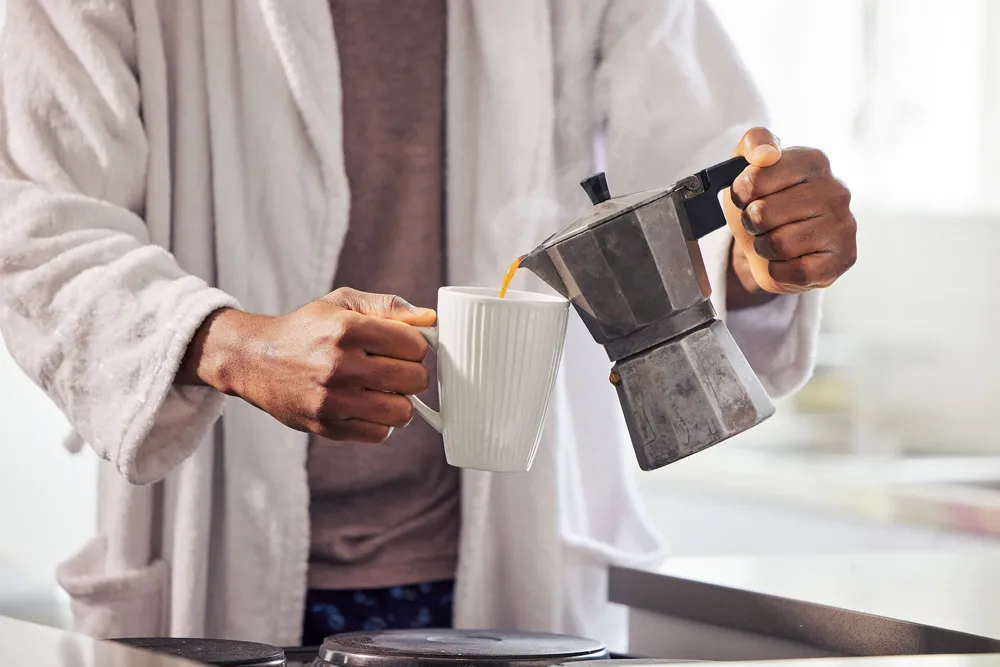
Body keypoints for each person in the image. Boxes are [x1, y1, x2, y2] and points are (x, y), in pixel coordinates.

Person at [0, 0, 856, 652]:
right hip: (210, 568)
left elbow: (706, 168)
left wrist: (770, 239)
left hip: (519, 574)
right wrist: (234, 345)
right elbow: (36, 218)